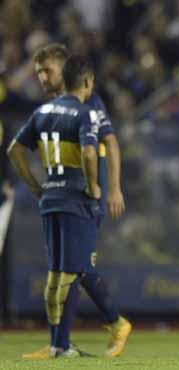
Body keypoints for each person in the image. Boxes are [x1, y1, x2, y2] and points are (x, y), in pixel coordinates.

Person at [19, 44, 131, 359]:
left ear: (64, 68)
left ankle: (109, 324)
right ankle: (61, 344)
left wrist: (113, 188)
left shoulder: (89, 100)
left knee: (75, 267)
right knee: (71, 268)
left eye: (48, 70)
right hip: (65, 195)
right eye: (38, 71)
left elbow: (109, 142)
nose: (42, 77)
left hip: (84, 196)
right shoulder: (56, 104)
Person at [7, 55, 107, 358]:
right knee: (70, 273)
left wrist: (36, 186)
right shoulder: (85, 112)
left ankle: (57, 343)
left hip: (49, 198)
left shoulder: (42, 111)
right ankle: (60, 346)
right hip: (75, 200)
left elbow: (14, 150)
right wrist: (92, 187)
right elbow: (90, 154)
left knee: (56, 273)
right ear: (87, 81)